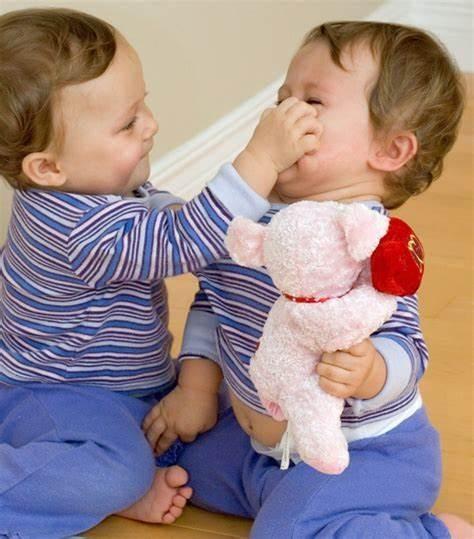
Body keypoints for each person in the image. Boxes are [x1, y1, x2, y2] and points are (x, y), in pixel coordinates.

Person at [0, 7, 321, 538]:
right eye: (128, 123)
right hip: (57, 393)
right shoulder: (75, 231)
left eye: (142, 104)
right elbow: (184, 239)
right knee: (113, 469)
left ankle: (117, 487)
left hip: (132, 384)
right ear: (48, 167)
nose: (150, 125)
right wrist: (260, 161)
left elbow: (172, 219)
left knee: (227, 418)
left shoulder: (101, 189)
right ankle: (102, 486)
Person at [143, 21, 471, 538]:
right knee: (155, 444)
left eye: (312, 102)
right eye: (282, 100)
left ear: (389, 151)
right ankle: (302, 506)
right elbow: (215, 301)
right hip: (260, 446)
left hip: (362, 456)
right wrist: (196, 389)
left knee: (287, 531)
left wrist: (371, 371)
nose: (283, 116)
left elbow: (409, 349)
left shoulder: (368, 240)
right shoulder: (251, 221)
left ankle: (434, 533)